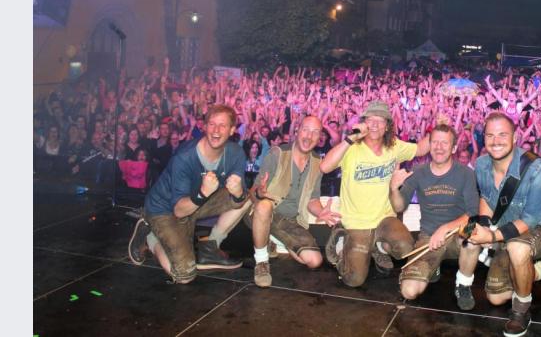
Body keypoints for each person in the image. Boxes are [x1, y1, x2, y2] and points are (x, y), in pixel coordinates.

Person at [127, 105, 250, 284]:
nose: (216, 130)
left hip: (194, 204)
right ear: (205, 127)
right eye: (212, 124)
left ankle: (211, 245)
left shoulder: (236, 153)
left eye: (222, 125)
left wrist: (239, 193)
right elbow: (178, 211)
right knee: (184, 275)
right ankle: (150, 237)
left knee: (247, 197)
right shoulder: (184, 157)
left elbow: (239, 200)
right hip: (164, 209)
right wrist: (203, 193)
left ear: (232, 130)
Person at [465, 112, 541, 337]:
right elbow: (487, 199)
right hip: (506, 234)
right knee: (495, 297)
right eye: (490, 135)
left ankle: (521, 310)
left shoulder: (537, 168)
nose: (495, 141)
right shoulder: (481, 164)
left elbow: (530, 220)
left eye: (502, 135)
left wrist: (493, 237)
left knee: (518, 248)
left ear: (515, 137)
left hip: (540, 230)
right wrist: (484, 227)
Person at [320, 101, 430, 287]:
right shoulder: (351, 148)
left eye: (380, 121)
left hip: (383, 219)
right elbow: (325, 166)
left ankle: (378, 247)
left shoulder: (394, 146)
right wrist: (350, 138)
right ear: (363, 123)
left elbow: (420, 148)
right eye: (370, 120)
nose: (374, 125)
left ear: (387, 126)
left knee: (405, 249)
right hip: (357, 222)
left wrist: (438, 127)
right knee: (353, 280)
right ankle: (342, 243)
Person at [239, 116, 342, 287]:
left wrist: (320, 211)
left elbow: (313, 200)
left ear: (320, 138)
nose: (309, 136)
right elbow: (252, 193)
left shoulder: (318, 163)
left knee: (314, 261)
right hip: (263, 213)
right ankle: (262, 261)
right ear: (297, 130)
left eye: (315, 132)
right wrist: (260, 192)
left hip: (289, 221)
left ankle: (273, 238)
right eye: (306, 130)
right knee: (264, 205)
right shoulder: (277, 154)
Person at [389, 124, 481, 310]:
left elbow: (473, 212)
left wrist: (445, 228)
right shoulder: (419, 171)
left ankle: (463, 284)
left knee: (474, 235)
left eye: (444, 143)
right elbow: (399, 206)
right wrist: (393, 188)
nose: (439, 147)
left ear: (454, 148)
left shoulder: (466, 173)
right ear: (429, 145)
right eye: (435, 142)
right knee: (409, 291)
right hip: (429, 236)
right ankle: (434, 265)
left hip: (459, 230)